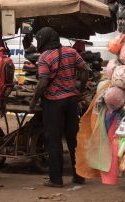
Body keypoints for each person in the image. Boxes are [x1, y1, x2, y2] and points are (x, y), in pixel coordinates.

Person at [29, 26, 90, 188]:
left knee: (54, 140)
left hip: (53, 103)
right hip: (71, 101)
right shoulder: (71, 52)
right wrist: (81, 89)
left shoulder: (44, 57)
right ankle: (79, 176)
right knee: (73, 138)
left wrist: (34, 101)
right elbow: (85, 70)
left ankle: (56, 179)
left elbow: (42, 82)